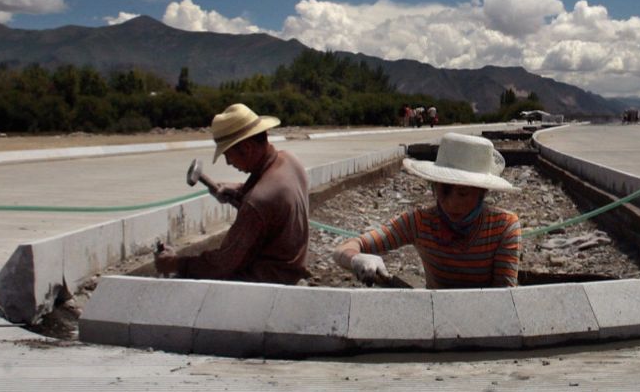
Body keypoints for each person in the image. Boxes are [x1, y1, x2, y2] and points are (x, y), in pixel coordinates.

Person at [334, 133, 521, 289]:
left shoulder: (503, 227)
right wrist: (356, 258)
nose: (451, 204)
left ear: (482, 192)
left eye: (463, 194)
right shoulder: (418, 222)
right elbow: (346, 248)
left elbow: (504, 297)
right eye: (443, 191)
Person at [155, 103, 310, 284]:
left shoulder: (258, 202)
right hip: (292, 270)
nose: (229, 163)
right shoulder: (290, 160)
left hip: (268, 283)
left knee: (187, 282)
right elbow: (267, 194)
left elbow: (222, 264)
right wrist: (239, 190)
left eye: (228, 155)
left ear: (246, 149)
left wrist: (176, 263)